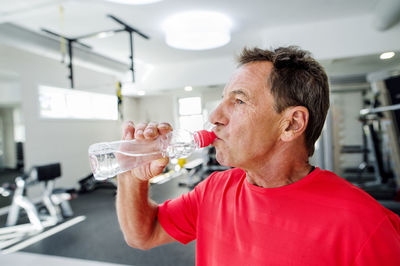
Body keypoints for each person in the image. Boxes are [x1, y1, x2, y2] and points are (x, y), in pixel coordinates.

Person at [116, 46, 400, 266]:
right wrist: (132, 174)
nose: (214, 116)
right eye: (223, 99)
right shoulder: (214, 190)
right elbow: (143, 234)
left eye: (238, 101)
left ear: (290, 124)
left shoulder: (363, 224)